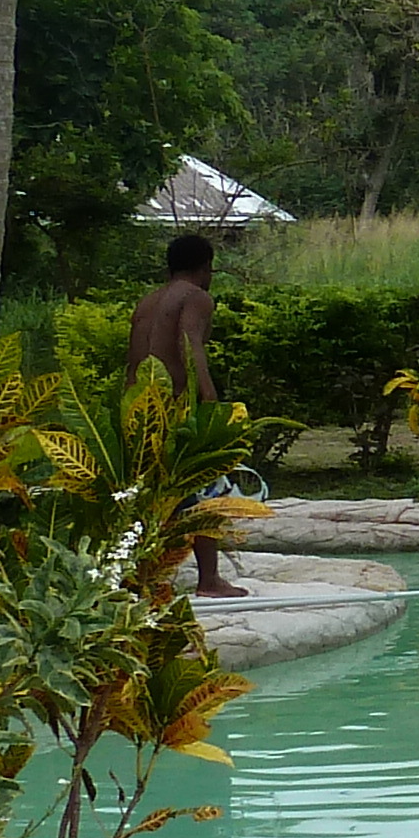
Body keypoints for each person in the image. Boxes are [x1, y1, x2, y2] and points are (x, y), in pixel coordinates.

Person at [128, 231, 244, 596]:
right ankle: (208, 579)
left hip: (140, 408)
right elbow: (189, 344)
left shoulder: (147, 302)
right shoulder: (196, 297)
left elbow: (133, 361)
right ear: (205, 267)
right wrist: (209, 404)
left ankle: (138, 575)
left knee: (150, 494)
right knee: (205, 490)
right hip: (178, 408)